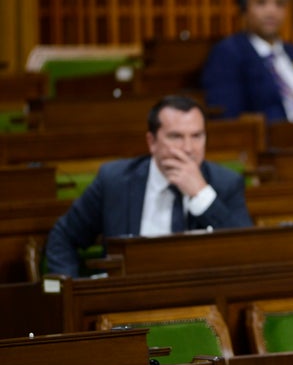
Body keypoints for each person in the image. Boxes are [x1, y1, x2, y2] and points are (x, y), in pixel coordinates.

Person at [45, 95, 254, 277]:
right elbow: (63, 237)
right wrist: (72, 291)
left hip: (200, 306)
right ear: (151, 142)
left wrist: (201, 195)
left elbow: (248, 252)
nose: (189, 148)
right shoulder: (115, 181)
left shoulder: (225, 183)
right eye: (176, 136)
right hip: (129, 303)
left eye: (197, 136)